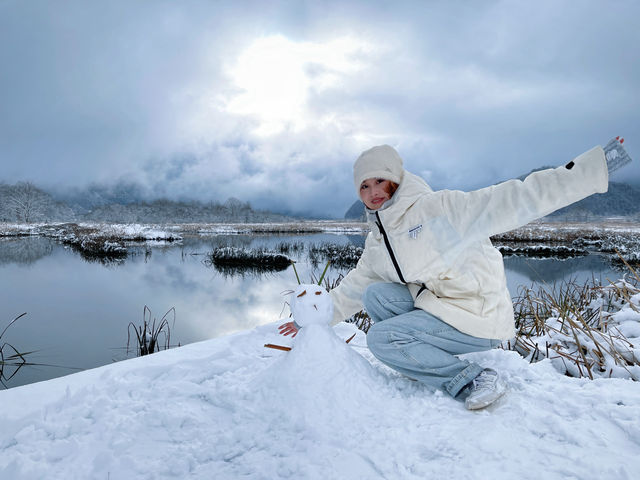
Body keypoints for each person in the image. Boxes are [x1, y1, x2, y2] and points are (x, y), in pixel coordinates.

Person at [279, 138, 632, 410]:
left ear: (395, 181)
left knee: (382, 339)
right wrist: (314, 319)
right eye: (364, 186)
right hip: (443, 307)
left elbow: (516, 198)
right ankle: (421, 354)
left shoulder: (439, 211)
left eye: (379, 182)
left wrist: (594, 168)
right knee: (375, 295)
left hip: (478, 315)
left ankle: (473, 379)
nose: (372, 193)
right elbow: (356, 287)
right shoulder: (380, 237)